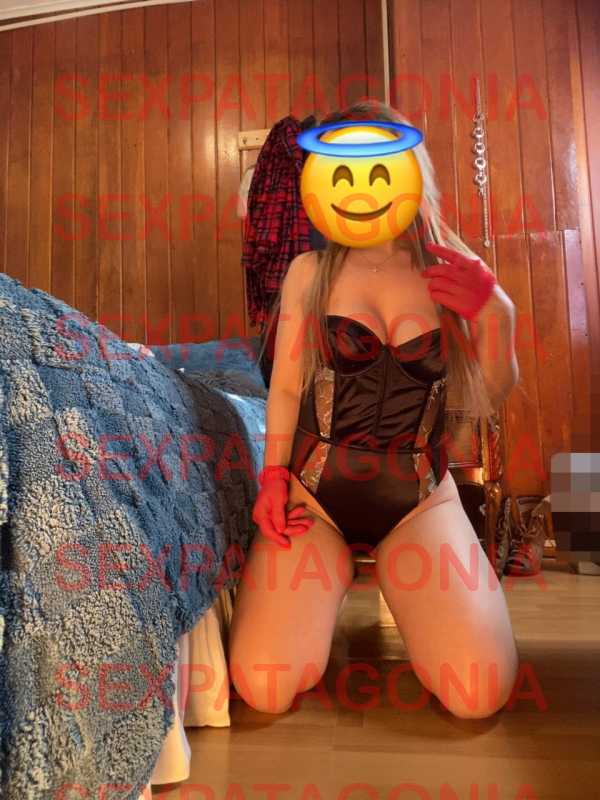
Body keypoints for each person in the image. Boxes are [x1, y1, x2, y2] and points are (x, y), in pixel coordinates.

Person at [228, 100, 520, 719]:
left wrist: (498, 315)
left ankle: (401, 584)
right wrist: (272, 478)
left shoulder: (452, 269)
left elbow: (488, 395)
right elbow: (285, 390)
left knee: (478, 695)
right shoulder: (310, 272)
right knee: (264, 686)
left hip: (418, 501)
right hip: (314, 499)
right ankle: (324, 590)